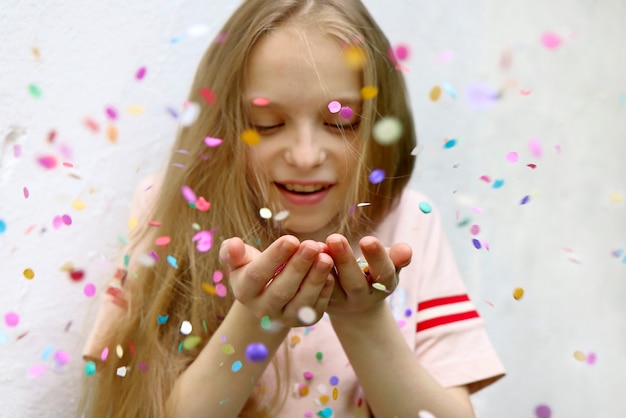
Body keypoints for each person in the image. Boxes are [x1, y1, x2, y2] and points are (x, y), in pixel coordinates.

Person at [79, 0, 505, 417]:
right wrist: (258, 319)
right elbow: (132, 407)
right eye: (267, 123)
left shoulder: (408, 222)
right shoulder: (174, 206)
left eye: (341, 121)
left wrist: (362, 319)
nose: (304, 156)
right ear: (223, 125)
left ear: (379, 121)